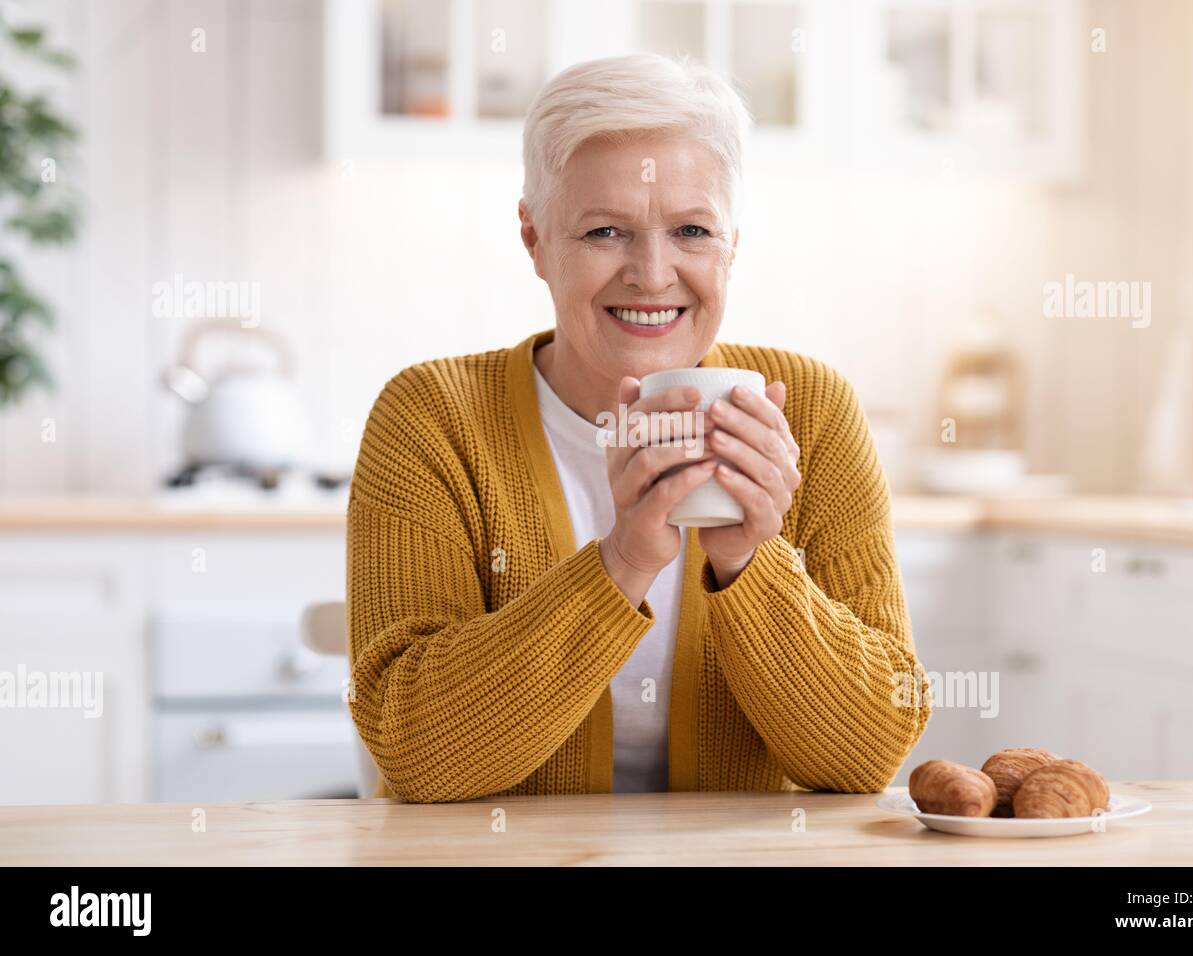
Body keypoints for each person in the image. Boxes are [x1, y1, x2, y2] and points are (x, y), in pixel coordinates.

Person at [346, 53, 930, 802]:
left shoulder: (811, 411)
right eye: (604, 232)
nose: (652, 275)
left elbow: (866, 756)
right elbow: (418, 755)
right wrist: (623, 561)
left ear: (733, 243)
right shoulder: (433, 417)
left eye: (691, 229)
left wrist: (749, 560)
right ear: (534, 238)